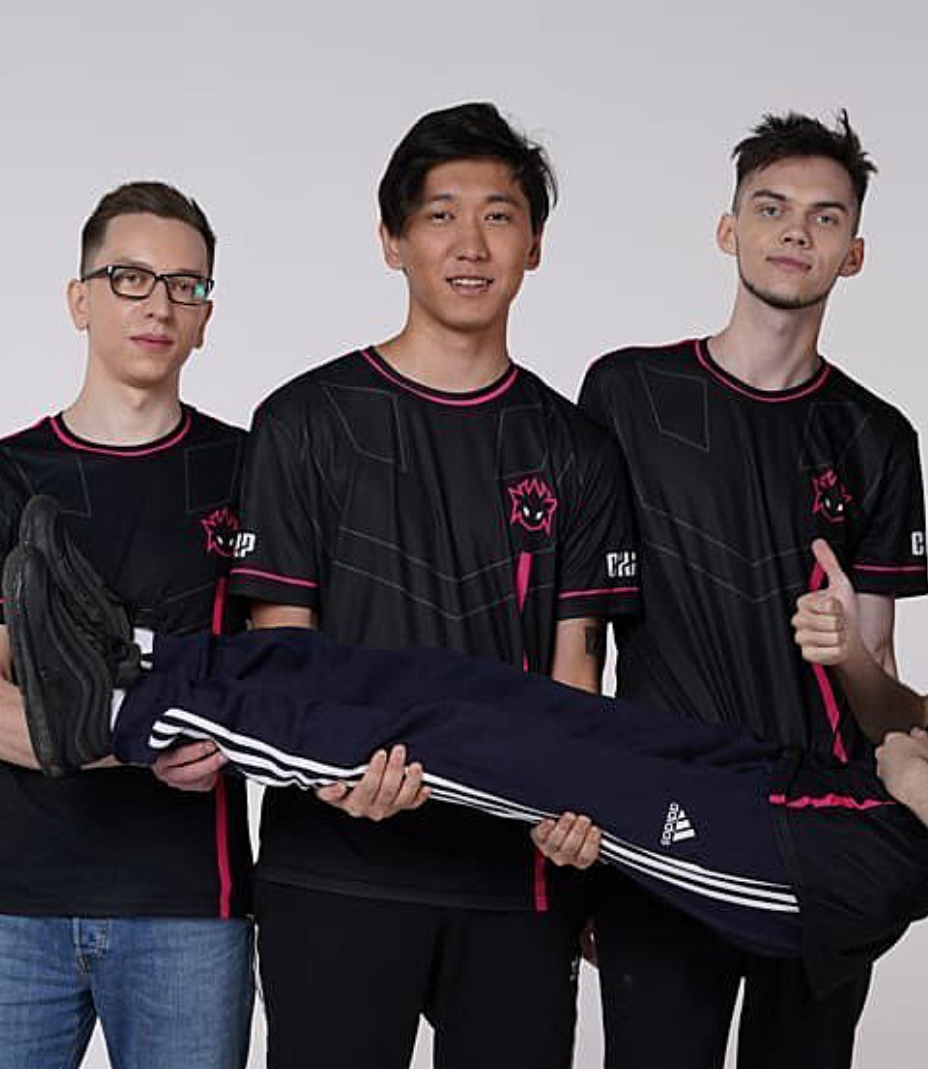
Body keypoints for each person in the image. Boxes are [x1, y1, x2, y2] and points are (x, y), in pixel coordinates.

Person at [5, 352, 928, 1004]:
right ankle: (151, 657)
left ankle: (117, 712)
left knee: (473, 750)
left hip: (807, 872)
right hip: (793, 781)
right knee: (477, 691)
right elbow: (912, 723)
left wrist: (918, 771)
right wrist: (916, 687)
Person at [217, 102, 641, 1069]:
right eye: (441, 214)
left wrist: (577, 810)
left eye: (499, 215)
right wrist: (330, 773)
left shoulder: (577, 450)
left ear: (534, 244)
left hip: (517, 882)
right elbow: (281, 650)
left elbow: (579, 676)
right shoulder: (305, 422)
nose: (470, 244)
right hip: (336, 870)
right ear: (392, 240)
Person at [575, 109, 928, 1069]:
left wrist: (846, 649)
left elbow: (887, 702)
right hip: (662, 822)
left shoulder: (877, 437)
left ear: (854, 253)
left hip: (819, 841)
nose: (795, 232)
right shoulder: (626, 394)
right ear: (728, 229)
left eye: (825, 217)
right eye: (771, 208)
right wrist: (581, 816)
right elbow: (578, 638)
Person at [0, 181, 253, 1069]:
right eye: (129, 277)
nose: (158, 304)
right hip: (14, 907)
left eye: (185, 285)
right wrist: (142, 739)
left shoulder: (253, 472)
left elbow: (282, 669)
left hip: (191, 909)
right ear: (79, 300)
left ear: (206, 315)